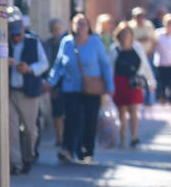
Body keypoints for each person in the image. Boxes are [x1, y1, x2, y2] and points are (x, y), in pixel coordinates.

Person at [48, 13, 114, 164]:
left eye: (84, 23)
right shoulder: (66, 42)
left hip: (92, 88)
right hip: (70, 87)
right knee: (71, 119)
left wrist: (110, 86)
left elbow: (105, 65)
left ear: (89, 27)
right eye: (78, 23)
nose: (81, 27)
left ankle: (86, 151)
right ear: (72, 26)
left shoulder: (95, 42)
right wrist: (51, 82)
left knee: (89, 121)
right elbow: (58, 64)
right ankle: (67, 149)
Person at [6, 12, 49, 175]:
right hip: (10, 91)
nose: (15, 38)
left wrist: (29, 69)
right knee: (11, 129)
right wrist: (3, 63)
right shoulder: (4, 43)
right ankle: (15, 163)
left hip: (29, 92)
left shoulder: (33, 42)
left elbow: (44, 64)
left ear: (23, 30)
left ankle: (27, 157)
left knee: (30, 130)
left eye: (18, 35)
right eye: (12, 35)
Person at [110, 21, 154, 147]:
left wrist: (151, 81)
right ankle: (122, 137)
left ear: (131, 34)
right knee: (121, 111)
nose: (125, 35)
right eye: (123, 33)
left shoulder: (137, 47)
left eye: (127, 32)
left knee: (133, 110)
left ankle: (134, 136)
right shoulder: (115, 49)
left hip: (134, 82)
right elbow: (109, 67)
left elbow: (145, 65)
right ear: (119, 34)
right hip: (119, 82)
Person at [46, 17, 69, 147]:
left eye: (59, 29)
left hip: (67, 81)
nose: (57, 32)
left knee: (67, 112)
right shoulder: (48, 45)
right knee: (57, 112)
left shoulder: (68, 42)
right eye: (54, 30)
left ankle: (66, 136)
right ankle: (59, 137)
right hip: (54, 82)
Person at [129, 7, 157, 103]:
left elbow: (154, 40)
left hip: (148, 54)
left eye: (142, 16)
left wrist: (152, 50)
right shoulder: (130, 27)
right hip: (135, 56)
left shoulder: (149, 26)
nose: (140, 18)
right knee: (138, 76)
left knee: (149, 75)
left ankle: (148, 99)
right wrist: (141, 40)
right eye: (138, 16)